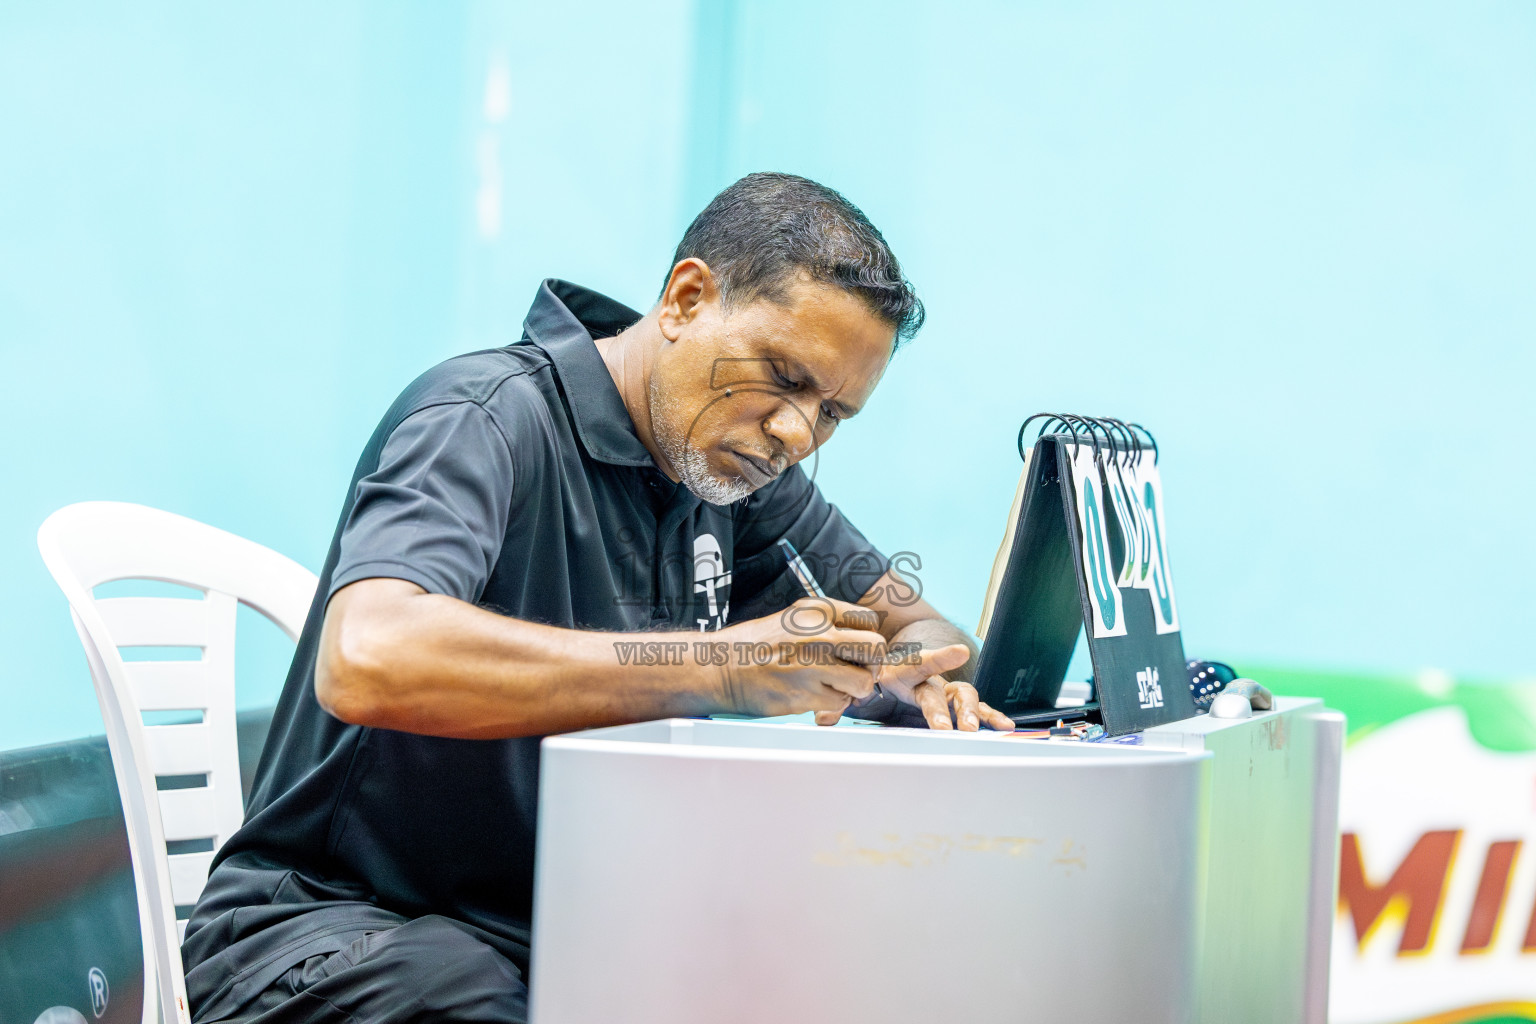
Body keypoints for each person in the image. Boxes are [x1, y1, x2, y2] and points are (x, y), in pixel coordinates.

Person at [182, 172, 1015, 1024]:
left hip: (551, 941)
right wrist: (720, 668)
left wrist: (921, 675)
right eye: (783, 375)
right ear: (688, 298)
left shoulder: (738, 477)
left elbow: (914, 618)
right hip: (331, 937)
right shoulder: (483, 417)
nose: (798, 433)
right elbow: (369, 656)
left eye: (833, 411)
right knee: (466, 988)